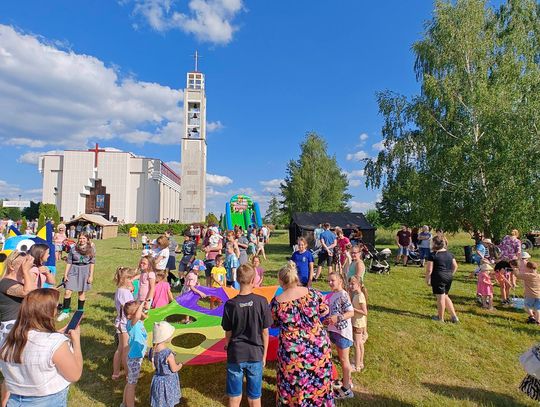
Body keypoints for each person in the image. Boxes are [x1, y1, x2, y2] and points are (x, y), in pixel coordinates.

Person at [0, 289, 83, 407]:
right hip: (48, 401)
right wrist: (76, 342)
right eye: (58, 307)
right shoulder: (55, 343)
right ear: (48, 312)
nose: (58, 311)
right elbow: (75, 375)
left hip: (14, 401)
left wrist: (54, 334)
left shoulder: (7, 340)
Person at [270, 262, 334, 405]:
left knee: (293, 385)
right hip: (318, 346)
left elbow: (272, 323)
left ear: (281, 280)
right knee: (319, 381)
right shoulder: (313, 293)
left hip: (293, 352)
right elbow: (325, 311)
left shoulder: (277, 302)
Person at [221, 264, 272, 407]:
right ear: (254, 279)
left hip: (236, 354)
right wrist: (264, 355)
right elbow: (265, 332)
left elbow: (228, 332)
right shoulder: (262, 302)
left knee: (234, 397)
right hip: (255, 354)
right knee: (254, 397)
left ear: (237, 279)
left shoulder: (230, 304)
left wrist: (227, 344)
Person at [325, 272, 355, 400]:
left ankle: (347, 389)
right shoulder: (333, 295)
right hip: (335, 331)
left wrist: (339, 318)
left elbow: (351, 312)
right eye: (329, 281)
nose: (330, 283)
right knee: (341, 359)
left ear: (340, 281)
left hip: (343, 333)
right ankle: (347, 381)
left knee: (344, 360)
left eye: (333, 280)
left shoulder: (343, 295)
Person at [57, 233, 95, 321]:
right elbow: (69, 262)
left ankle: (79, 312)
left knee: (81, 292)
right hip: (73, 270)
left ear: (87, 239)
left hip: (84, 271)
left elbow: (92, 263)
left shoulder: (91, 249)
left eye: (84, 238)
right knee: (67, 291)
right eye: (80, 238)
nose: (82, 240)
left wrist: (91, 276)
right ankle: (65, 311)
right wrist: (65, 274)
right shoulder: (73, 249)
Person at [425, 236, 459, 323]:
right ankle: (454, 317)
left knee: (440, 298)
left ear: (435, 244)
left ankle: (440, 318)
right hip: (448, 277)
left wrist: (427, 279)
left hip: (438, 277)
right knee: (445, 296)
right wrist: (450, 274)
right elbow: (455, 266)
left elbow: (429, 269)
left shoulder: (433, 255)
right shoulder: (449, 254)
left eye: (432, 242)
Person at [148, 321, 182, 407]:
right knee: (168, 402)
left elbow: (151, 359)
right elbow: (174, 369)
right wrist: (180, 365)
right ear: (165, 337)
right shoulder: (168, 354)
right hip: (168, 383)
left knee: (159, 402)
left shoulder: (152, 350)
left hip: (157, 381)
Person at [112, 267, 137, 381]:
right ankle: (128, 375)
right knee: (126, 350)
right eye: (130, 279)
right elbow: (130, 309)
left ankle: (116, 373)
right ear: (124, 279)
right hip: (124, 324)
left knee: (120, 349)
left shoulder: (120, 290)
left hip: (120, 322)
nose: (132, 281)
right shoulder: (125, 293)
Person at [122, 301, 148, 407]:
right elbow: (137, 316)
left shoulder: (137, 322)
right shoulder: (132, 323)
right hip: (134, 358)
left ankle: (124, 403)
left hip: (135, 356)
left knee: (130, 383)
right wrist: (140, 305)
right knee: (132, 385)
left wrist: (142, 308)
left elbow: (145, 316)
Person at [512, 255, 540, 324]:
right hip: (538, 295)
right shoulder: (539, 275)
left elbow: (517, 275)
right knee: (537, 308)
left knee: (527, 307)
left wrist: (515, 269)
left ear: (529, 268)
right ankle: (538, 321)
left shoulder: (527, 275)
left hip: (530, 294)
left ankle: (532, 316)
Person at [349, 275, 368, 372]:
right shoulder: (356, 295)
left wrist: (353, 309)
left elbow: (365, 312)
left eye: (353, 284)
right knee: (360, 344)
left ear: (359, 285)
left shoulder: (360, 296)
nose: (351, 286)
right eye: (350, 284)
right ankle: (360, 362)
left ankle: (356, 366)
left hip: (358, 324)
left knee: (357, 344)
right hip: (357, 322)